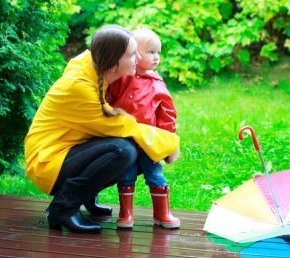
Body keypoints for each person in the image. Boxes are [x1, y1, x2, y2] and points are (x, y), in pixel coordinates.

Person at [24, 25, 180, 234]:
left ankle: (86, 196)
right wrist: (170, 143)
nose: (138, 59)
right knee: (123, 151)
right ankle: (63, 208)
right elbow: (120, 126)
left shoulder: (98, 69)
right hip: (48, 162)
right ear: (114, 63)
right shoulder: (79, 86)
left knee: (136, 152)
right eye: (132, 54)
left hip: (69, 149)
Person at [108, 28, 180, 229]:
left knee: (155, 175)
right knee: (126, 175)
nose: (156, 57)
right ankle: (126, 213)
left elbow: (167, 112)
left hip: (150, 141)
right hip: (127, 140)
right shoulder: (121, 79)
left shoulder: (157, 83)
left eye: (158, 52)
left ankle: (162, 213)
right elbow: (108, 101)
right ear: (133, 53)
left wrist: (167, 140)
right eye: (150, 52)